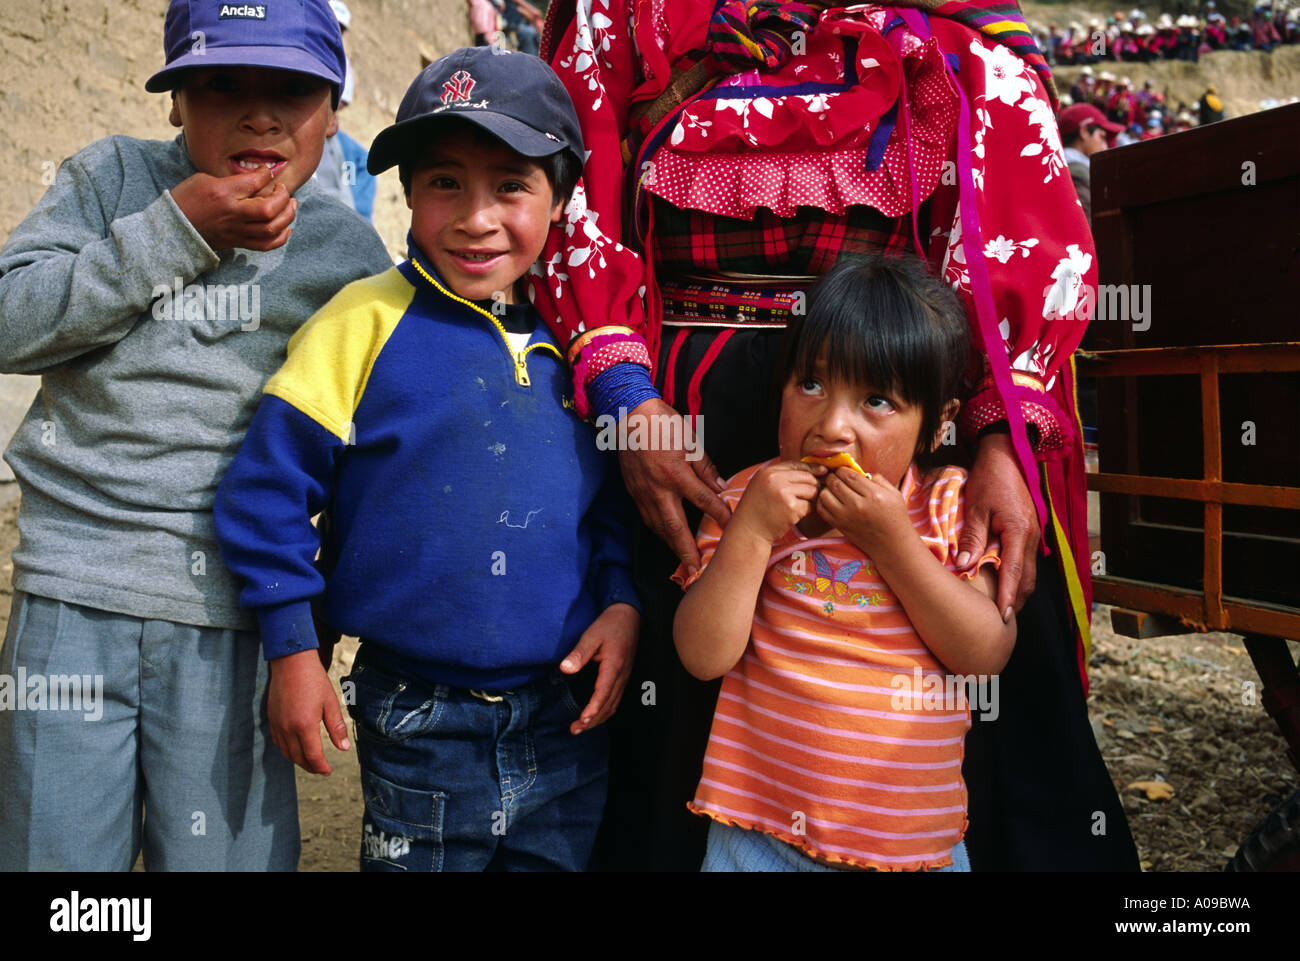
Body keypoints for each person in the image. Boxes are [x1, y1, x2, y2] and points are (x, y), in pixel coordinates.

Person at [531, 0, 1139, 872]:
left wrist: (1002, 435)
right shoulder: (624, 11)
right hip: (678, 422)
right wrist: (625, 396)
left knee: (1004, 643)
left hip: (907, 399)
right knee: (667, 678)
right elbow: (572, 184)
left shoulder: (955, 20)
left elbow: (1014, 208)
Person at [214, 46, 641, 872]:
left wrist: (621, 602)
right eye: (444, 181)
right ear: (408, 193)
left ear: (562, 199)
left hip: (565, 715)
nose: (476, 217)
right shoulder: (364, 321)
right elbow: (264, 491)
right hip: (417, 713)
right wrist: (294, 649)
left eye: (511, 185)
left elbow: (609, 508)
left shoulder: (583, 347)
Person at [0, 0, 392, 870]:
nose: (258, 115)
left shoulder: (348, 256)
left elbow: (369, 446)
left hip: (239, 623)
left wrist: (309, 632)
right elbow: (9, 322)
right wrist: (175, 230)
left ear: (334, 108)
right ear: (175, 99)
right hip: (72, 599)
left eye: (291, 89)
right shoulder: (113, 182)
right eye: (222, 86)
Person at [674, 255, 1013, 872]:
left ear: (936, 427)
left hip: (910, 848)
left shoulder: (948, 506)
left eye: (877, 400)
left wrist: (892, 544)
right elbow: (702, 656)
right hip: (756, 832)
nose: (831, 425)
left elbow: (984, 653)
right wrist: (751, 530)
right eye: (811, 385)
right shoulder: (745, 498)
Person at [1060, 104, 1123, 224]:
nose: (1106, 146)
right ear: (1084, 132)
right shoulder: (1079, 174)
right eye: (1102, 137)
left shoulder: (1058, 167)